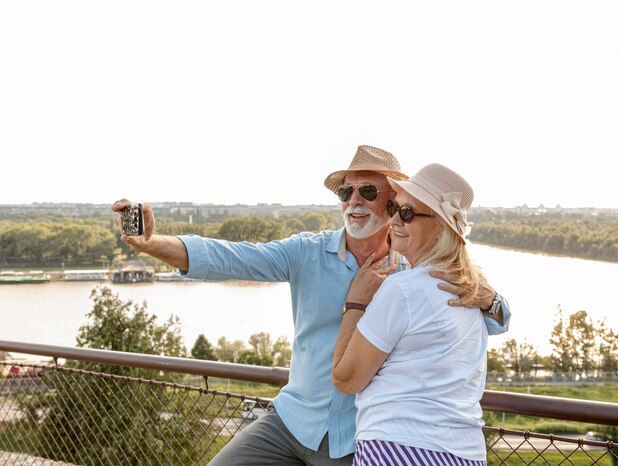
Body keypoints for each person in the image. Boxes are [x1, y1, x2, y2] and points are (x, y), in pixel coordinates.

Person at [113, 145, 510, 466]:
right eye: (345, 192)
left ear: (395, 204)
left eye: (368, 192)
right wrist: (152, 244)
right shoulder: (307, 252)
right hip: (292, 421)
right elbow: (229, 257)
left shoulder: (415, 271)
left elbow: (489, 317)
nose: (354, 201)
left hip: (357, 441)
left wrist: (490, 300)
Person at [332, 163, 491, 466]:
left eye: (406, 212)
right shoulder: (472, 290)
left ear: (441, 227)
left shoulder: (402, 290)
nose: (393, 220)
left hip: (396, 448)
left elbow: (346, 378)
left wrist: (355, 304)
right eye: (393, 207)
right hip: (466, 453)